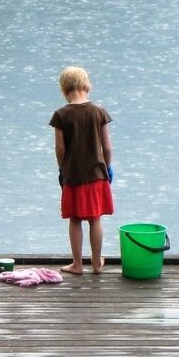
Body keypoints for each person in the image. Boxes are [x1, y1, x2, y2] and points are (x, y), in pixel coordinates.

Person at [48, 66, 114, 275]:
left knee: (75, 219)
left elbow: (60, 149)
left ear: (65, 89)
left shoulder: (61, 115)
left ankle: (77, 264)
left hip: (73, 175)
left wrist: (62, 168)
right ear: (86, 86)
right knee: (95, 218)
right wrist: (108, 167)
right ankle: (96, 264)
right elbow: (108, 147)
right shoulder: (99, 111)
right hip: (96, 175)